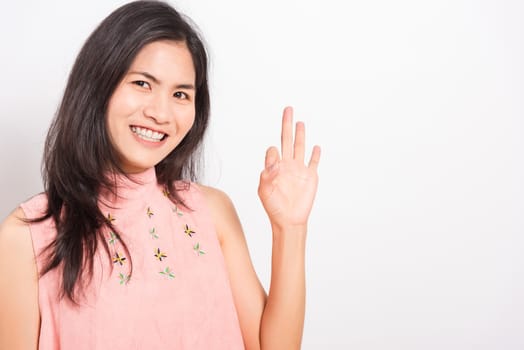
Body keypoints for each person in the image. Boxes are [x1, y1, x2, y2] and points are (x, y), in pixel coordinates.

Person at [0, 1, 320, 349]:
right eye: (142, 83)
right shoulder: (27, 236)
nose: (160, 112)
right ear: (99, 86)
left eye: (180, 94)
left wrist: (290, 228)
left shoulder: (211, 210)